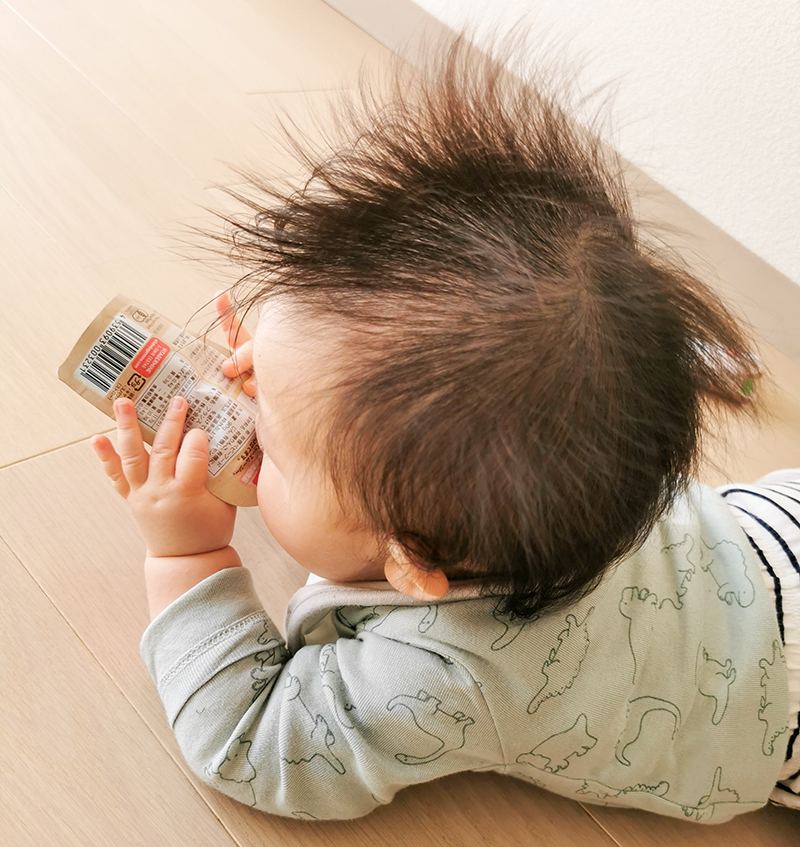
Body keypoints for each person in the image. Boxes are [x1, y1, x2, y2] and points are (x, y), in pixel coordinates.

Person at [90, 35, 799, 822]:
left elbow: (254, 747)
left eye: (275, 443)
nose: (239, 393)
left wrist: (189, 553)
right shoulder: (564, 456)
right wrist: (298, 387)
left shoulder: (448, 672)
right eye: (257, 361)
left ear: (412, 564)